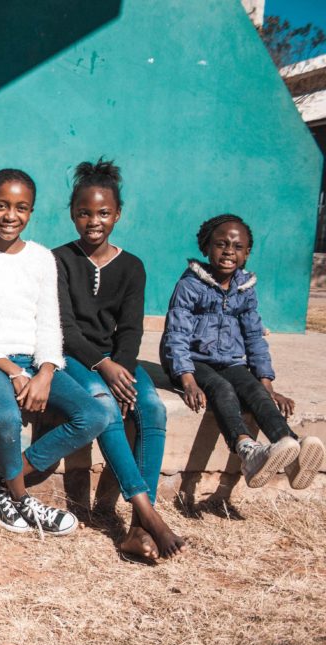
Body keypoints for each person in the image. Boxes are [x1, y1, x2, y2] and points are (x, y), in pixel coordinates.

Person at [0, 168, 107, 536]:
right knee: (5, 417)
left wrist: (45, 372)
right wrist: (13, 372)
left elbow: (49, 323)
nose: (10, 215)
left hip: (33, 362)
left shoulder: (40, 257)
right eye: (2, 206)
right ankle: (21, 499)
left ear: (31, 212)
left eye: (21, 208)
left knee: (93, 415)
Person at [54, 159, 185, 561]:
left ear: (118, 214)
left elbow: (130, 330)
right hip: (76, 355)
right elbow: (66, 328)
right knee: (103, 401)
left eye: (104, 213)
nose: (94, 221)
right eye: (85, 212)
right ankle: (147, 510)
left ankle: (135, 529)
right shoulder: (59, 259)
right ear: (73, 214)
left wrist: (123, 368)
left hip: (118, 358)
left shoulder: (132, 266)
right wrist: (104, 368)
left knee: (150, 406)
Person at [160, 214, 323, 490]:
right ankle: (248, 452)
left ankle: (289, 446)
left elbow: (254, 337)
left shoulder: (245, 289)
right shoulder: (191, 284)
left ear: (246, 254)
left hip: (228, 360)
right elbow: (176, 335)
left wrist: (267, 383)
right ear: (206, 247)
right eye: (221, 244)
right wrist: (187, 380)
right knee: (222, 389)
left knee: (256, 392)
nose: (228, 252)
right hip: (191, 361)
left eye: (237, 247)